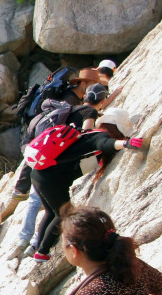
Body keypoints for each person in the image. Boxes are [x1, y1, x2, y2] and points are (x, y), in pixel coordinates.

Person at [30, 108, 147, 261]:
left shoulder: (88, 133)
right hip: (51, 180)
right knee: (64, 214)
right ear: (117, 129)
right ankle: (42, 252)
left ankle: (38, 247)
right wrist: (125, 143)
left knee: (51, 212)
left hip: (38, 173)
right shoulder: (99, 136)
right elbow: (105, 143)